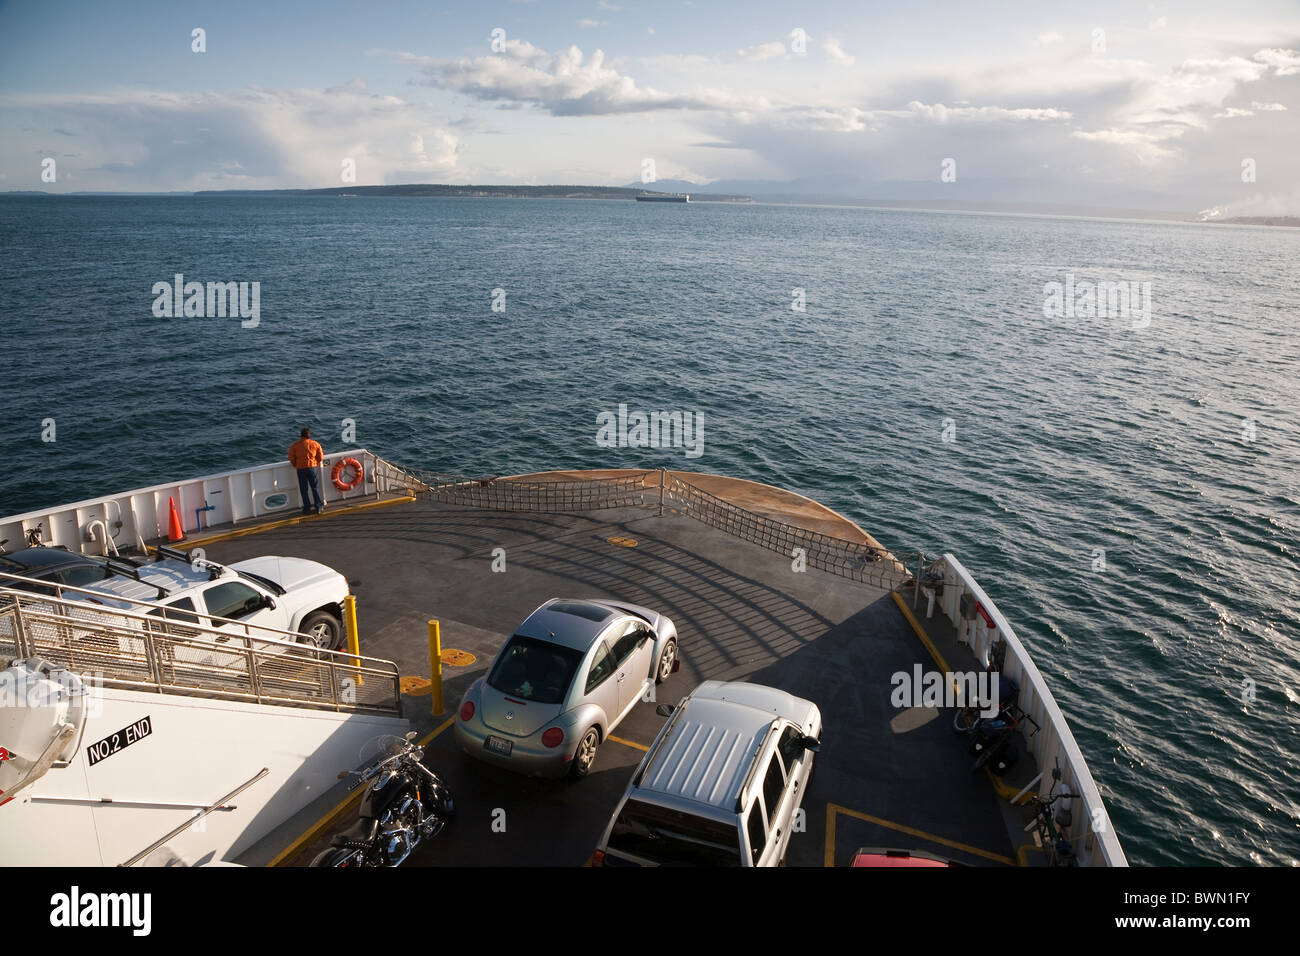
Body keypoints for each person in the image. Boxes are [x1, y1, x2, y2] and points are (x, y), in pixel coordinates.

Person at [288, 427, 326, 514]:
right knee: (314, 487)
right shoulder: (315, 444)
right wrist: (315, 463)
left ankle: (307, 508)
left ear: (301, 435)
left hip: (301, 469)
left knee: (303, 489)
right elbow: (320, 456)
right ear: (309, 435)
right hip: (312, 468)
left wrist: (295, 464)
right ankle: (318, 506)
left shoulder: (295, 445)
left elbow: (291, 457)